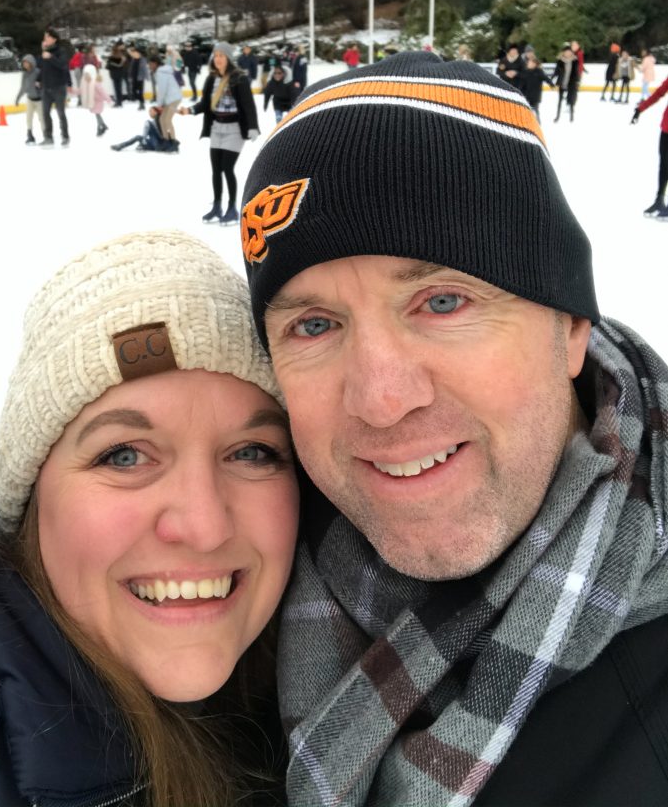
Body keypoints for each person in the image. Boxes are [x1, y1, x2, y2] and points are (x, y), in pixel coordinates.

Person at [239, 51, 668, 807]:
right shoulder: (223, 612)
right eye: (313, 324)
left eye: (442, 303)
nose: (380, 399)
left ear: (569, 325)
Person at [0, 230, 299, 807]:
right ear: (30, 500)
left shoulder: (337, 676)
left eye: (252, 452)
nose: (205, 526)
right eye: (125, 455)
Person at [178, 41, 259, 226]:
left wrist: (253, 126)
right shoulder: (211, 79)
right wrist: (189, 111)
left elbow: (248, 104)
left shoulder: (239, 78)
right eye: (216, 56)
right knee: (216, 170)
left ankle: (232, 208)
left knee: (227, 169)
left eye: (222, 56)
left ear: (229, 58)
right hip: (216, 128)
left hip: (235, 131)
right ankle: (217, 206)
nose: (218, 59)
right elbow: (204, 104)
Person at [631, 73, 668, 220]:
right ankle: (659, 200)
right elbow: (659, 92)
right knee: (664, 165)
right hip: (666, 129)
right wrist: (640, 109)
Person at [39, 27, 71, 147]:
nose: (44, 39)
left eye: (46, 37)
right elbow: (42, 68)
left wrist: (50, 57)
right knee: (45, 113)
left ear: (54, 39)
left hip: (58, 87)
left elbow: (63, 65)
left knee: (61, 113)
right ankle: (48, 137)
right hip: (46, 88)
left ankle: (65, 137)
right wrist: (39, 81)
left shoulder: (61, 51)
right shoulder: (45, 52)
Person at [111, 105, 179, 153]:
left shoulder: (158, 119)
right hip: (157, 145)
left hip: (158, 144)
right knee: (139, 136)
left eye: (151, 111)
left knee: (146, 124)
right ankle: (121, 146)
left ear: (156, 112)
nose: (149, 112)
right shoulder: (159, 120)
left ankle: (140, 144)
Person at [151, 53, 183, 143]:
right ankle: (166, 140)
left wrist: (159, 104)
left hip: (174, 99)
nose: (150, 66)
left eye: (151, 64)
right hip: (170, 99)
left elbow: (162, 90)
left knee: (167, 120)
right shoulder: (162, 71)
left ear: (156, 63)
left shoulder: (160, 73)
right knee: (162, 119)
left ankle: (173, 141)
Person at [14, 53, 44, 144]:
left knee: (42, 119)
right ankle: (30, 135)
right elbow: (23, 88)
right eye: (24, 63)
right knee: (28, 118)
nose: (25, 65)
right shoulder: (25, 74)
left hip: (39, 100)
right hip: (30, 99)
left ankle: (46, 135)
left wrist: (40, 87)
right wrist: (17, 98)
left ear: (31, 63)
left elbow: (44, 84)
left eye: (26, 62)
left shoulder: (38, 72)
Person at [518, 50, 554, 119]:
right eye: (528, 63)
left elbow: (546, 78)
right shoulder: (525, 72)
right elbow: (522, 82)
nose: (528, 64)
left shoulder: (539, 72)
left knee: (536, 110)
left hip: (535, 96)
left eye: (530, 63)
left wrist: (551, 84)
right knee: (527, 110)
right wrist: (519, 90)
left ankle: (538, 122)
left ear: (534, 64)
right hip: (526, 95)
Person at [77, 63, 111, 136]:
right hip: (92, 101)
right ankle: (103, 125)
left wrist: (108, 99)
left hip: (98, 101)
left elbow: (102, 92)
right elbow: (81, 90)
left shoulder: (95, 82)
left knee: (97, 114)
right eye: (85, 74)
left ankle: (100, 128)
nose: (86, 76)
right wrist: (72, 91)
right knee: (97, 114)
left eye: (87, 74)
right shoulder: (86, 82)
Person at [550, 43, 580, 121]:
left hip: (571, 84)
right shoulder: (560, 61)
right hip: (562, 83)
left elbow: (576, 73)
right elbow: (556, 71)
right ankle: (557, 116)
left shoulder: (575, 61)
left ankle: (571, 117)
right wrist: (551, 79)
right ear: (563, 52)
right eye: (566, 52)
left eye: (569, 51)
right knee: (559, 101)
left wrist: (577, 82)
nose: (568, 53)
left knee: (571, 100)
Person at [106, 41, 129, 106]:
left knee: (116, 88)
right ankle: (120, 102)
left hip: (114, 74)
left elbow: (109, 65)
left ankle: (118, 102)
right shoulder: (121, 56)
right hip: (120, 73)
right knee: (119, 88)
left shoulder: (112, 57)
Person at [128, 45, 148, 110]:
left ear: (139, 53)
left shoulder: (142, 59)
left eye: (135, 52)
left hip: (140, 77)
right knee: (134, 90)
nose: (134, 54)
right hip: (134, 77)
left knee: (140, 91)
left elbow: (145, 68)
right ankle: (140, 101)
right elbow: (131, 68)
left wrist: (146, 76)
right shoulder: (133, 59)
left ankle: (141, 103)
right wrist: (130, 75)